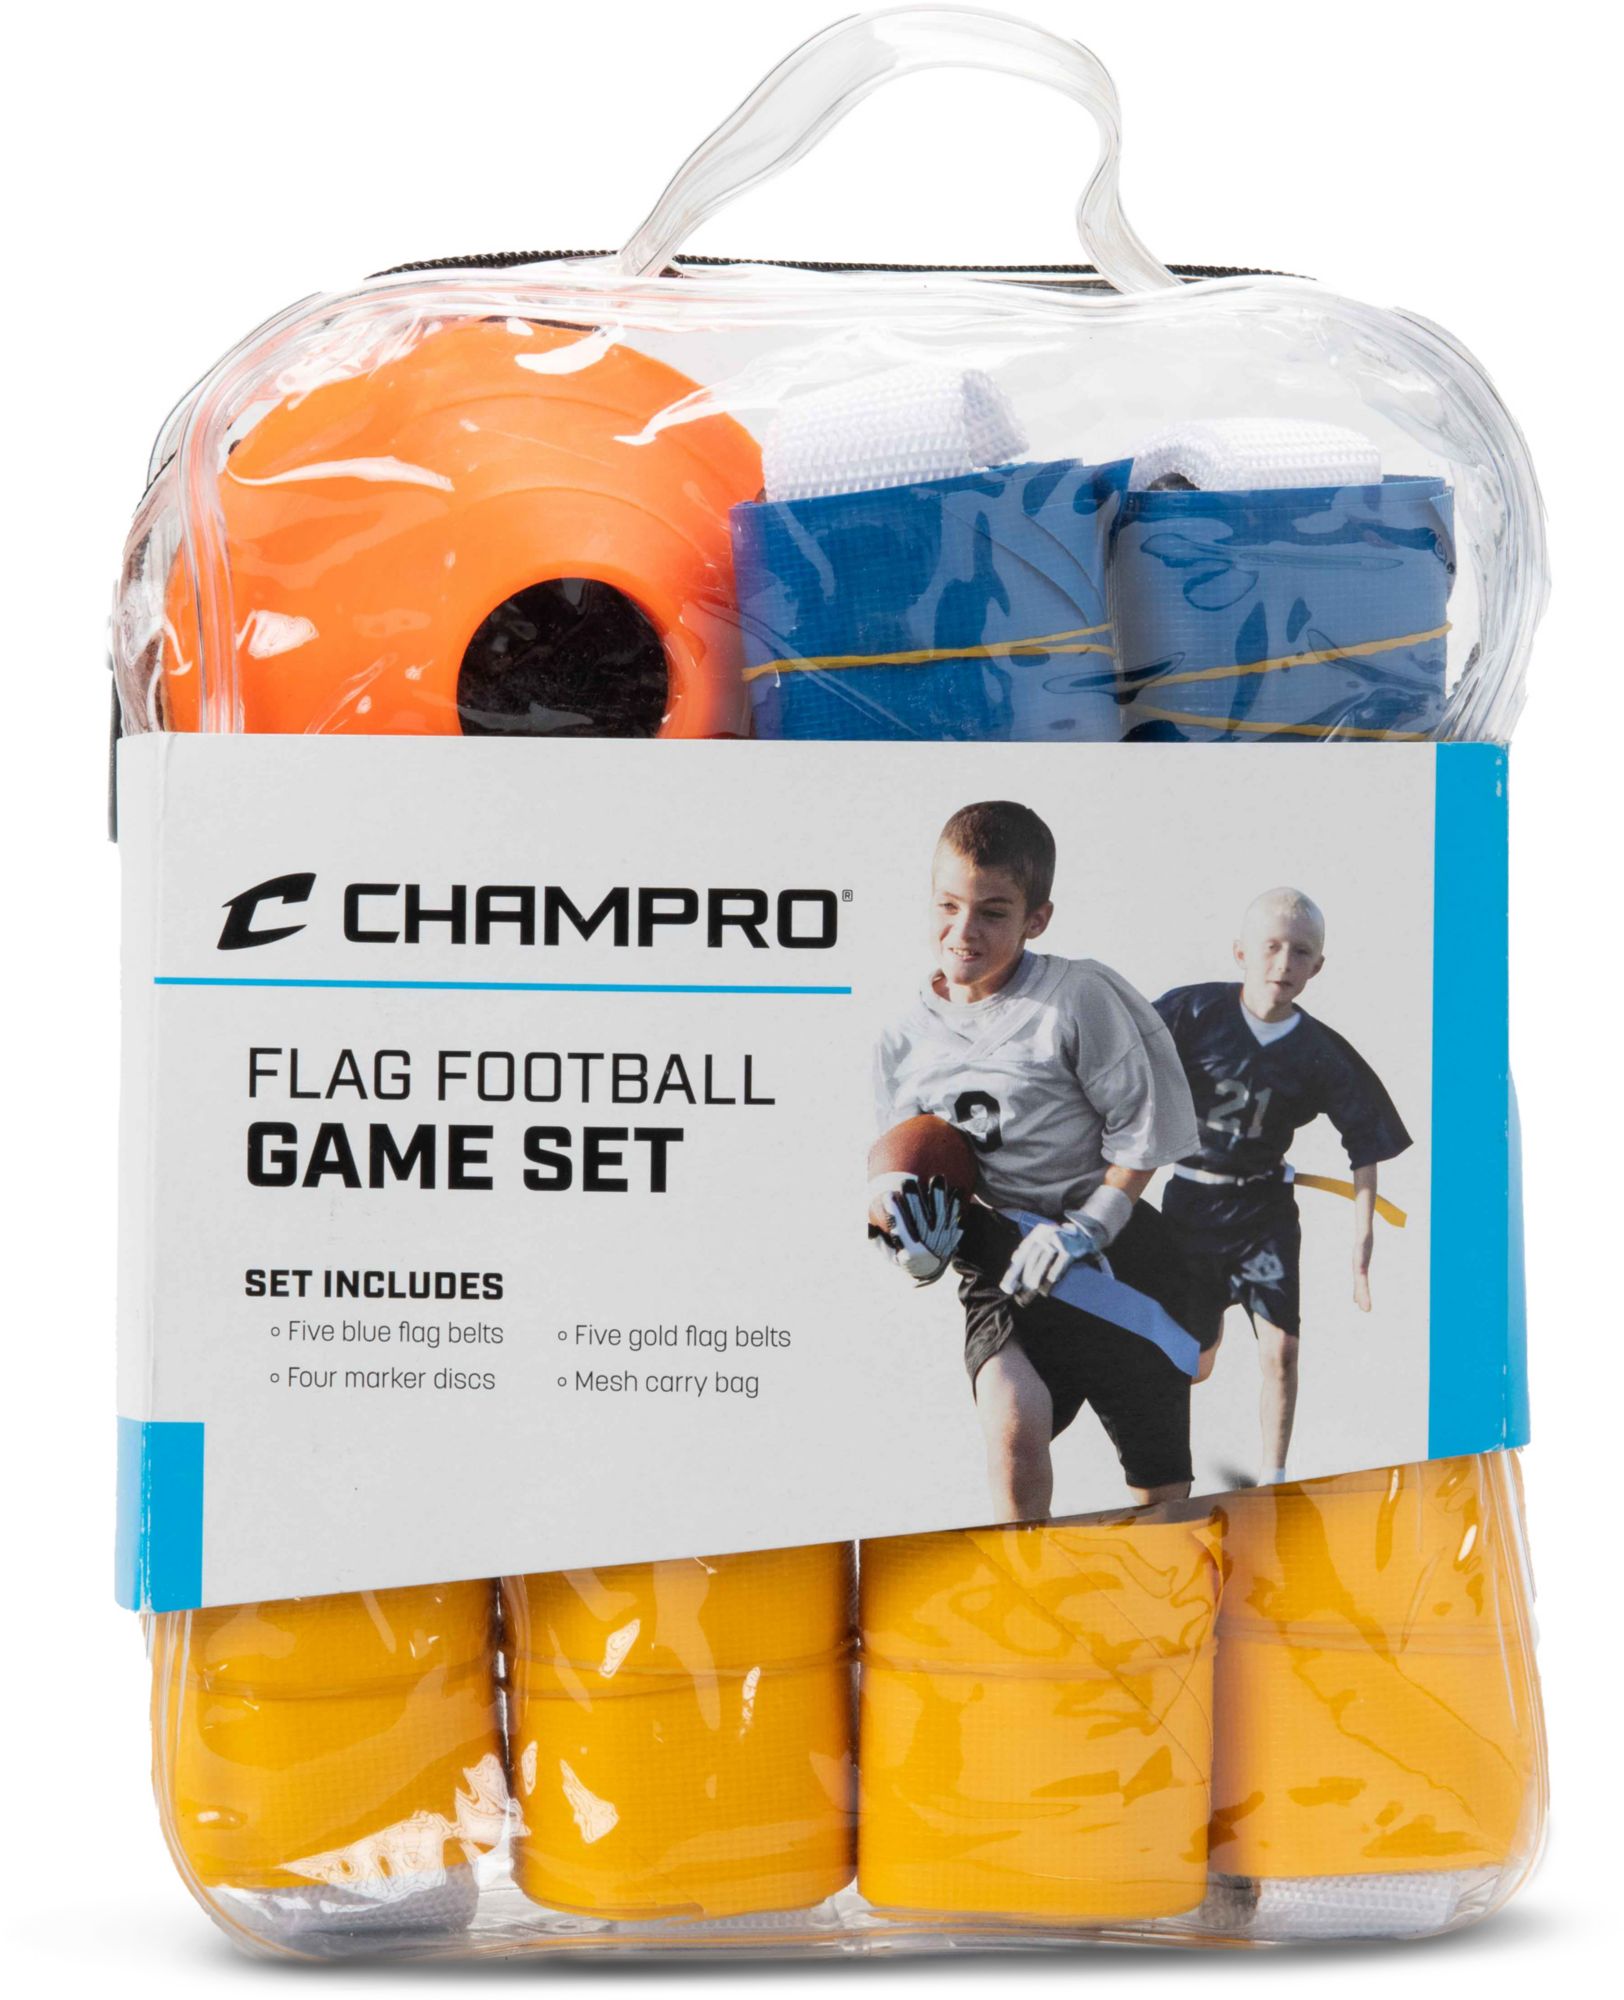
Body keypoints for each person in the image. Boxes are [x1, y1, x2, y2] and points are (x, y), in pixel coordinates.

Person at [871, 800, 1200, 1518]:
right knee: (1013, 1427)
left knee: (1157, 1488)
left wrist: (1084, 1230)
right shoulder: (902, 1038)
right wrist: (912, 1251)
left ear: (1036, 919)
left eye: (992, 912)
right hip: (1000, 1260)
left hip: (1110, 1254)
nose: (964, 931)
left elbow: (1143, 1132)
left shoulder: (1076, 996)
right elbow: (906, 1173)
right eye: (948, 905)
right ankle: (1025, 1575)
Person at [1155, 888, 1411, 1482]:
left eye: (1300, 952)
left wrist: (1363, 1236)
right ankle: (1172, 1471)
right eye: (1271, 947)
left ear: (1317, 966)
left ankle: (1273, 1479)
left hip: (1263, 1211)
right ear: (1241, 951)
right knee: (1190, 1363)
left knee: (1281, 1352)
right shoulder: (1192, 1012)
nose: (1283, 963)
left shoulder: (1321, 1051)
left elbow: (1366, 1139)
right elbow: (1117, 1055)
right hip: (1192, 1202)